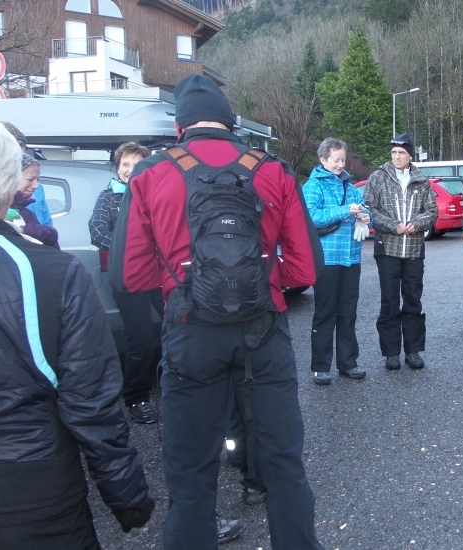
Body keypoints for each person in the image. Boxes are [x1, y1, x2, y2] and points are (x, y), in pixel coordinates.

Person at [109, 74, 325, 550]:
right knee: (284, 466)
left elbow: (128, 276)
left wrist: (179, 280)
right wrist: (266, 281)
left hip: (191, 330)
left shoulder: (150, 172)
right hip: (263, 331)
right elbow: (307, 267)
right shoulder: (272, 169)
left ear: (180, 125)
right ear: (230, 121)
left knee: (190, 476)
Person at [0, 115, 154, 548]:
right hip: (29, 489)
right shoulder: (49, 271)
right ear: (9, 183)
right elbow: (90, 398)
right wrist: (127, 494)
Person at [89, 141, 163, 423]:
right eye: (125, 165)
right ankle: (136, 397)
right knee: (140, 340)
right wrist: (127, 251)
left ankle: (176, 386)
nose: (130, 171)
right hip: (127, 276)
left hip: (157, 273)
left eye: (136, 164)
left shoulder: (155, 193)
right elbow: (96, 231)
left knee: (176, 329)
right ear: (117, 168)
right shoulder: (108, 197)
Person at [363, 132, 438, 370]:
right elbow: (370, 208)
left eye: (402, 153)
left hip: (414, 250)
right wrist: (392, 225)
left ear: (409, 155)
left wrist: (417, 223)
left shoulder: (421, 181)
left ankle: (413, 351)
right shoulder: (378, 178)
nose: (397, 157)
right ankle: (391, 353)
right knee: (389, 301)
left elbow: (432, 211)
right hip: (388, 249)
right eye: (394, 152)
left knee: (413, 301)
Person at [303, 137, 371, 385]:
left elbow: (366, 213)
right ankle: (320, 366)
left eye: (343, 159)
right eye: (336, 160)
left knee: (348, 313)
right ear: (322, 160)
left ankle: (348, 363)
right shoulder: (313, 186)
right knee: (325, 312)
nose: (341, 164)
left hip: (351, 258)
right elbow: (311, 218)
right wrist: (346, 212)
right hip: (327, 259)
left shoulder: (351, 187)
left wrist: (366, 217)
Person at [1, 121, 53, 227]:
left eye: (21, 145)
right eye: (12, 144)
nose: (18, 150)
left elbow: (47, 223)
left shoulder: (37, 188)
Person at [10, 154, 60, 248]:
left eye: (37, 179)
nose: (36, 186)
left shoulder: (26, 211)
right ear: (11, 178)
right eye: (30, 179)